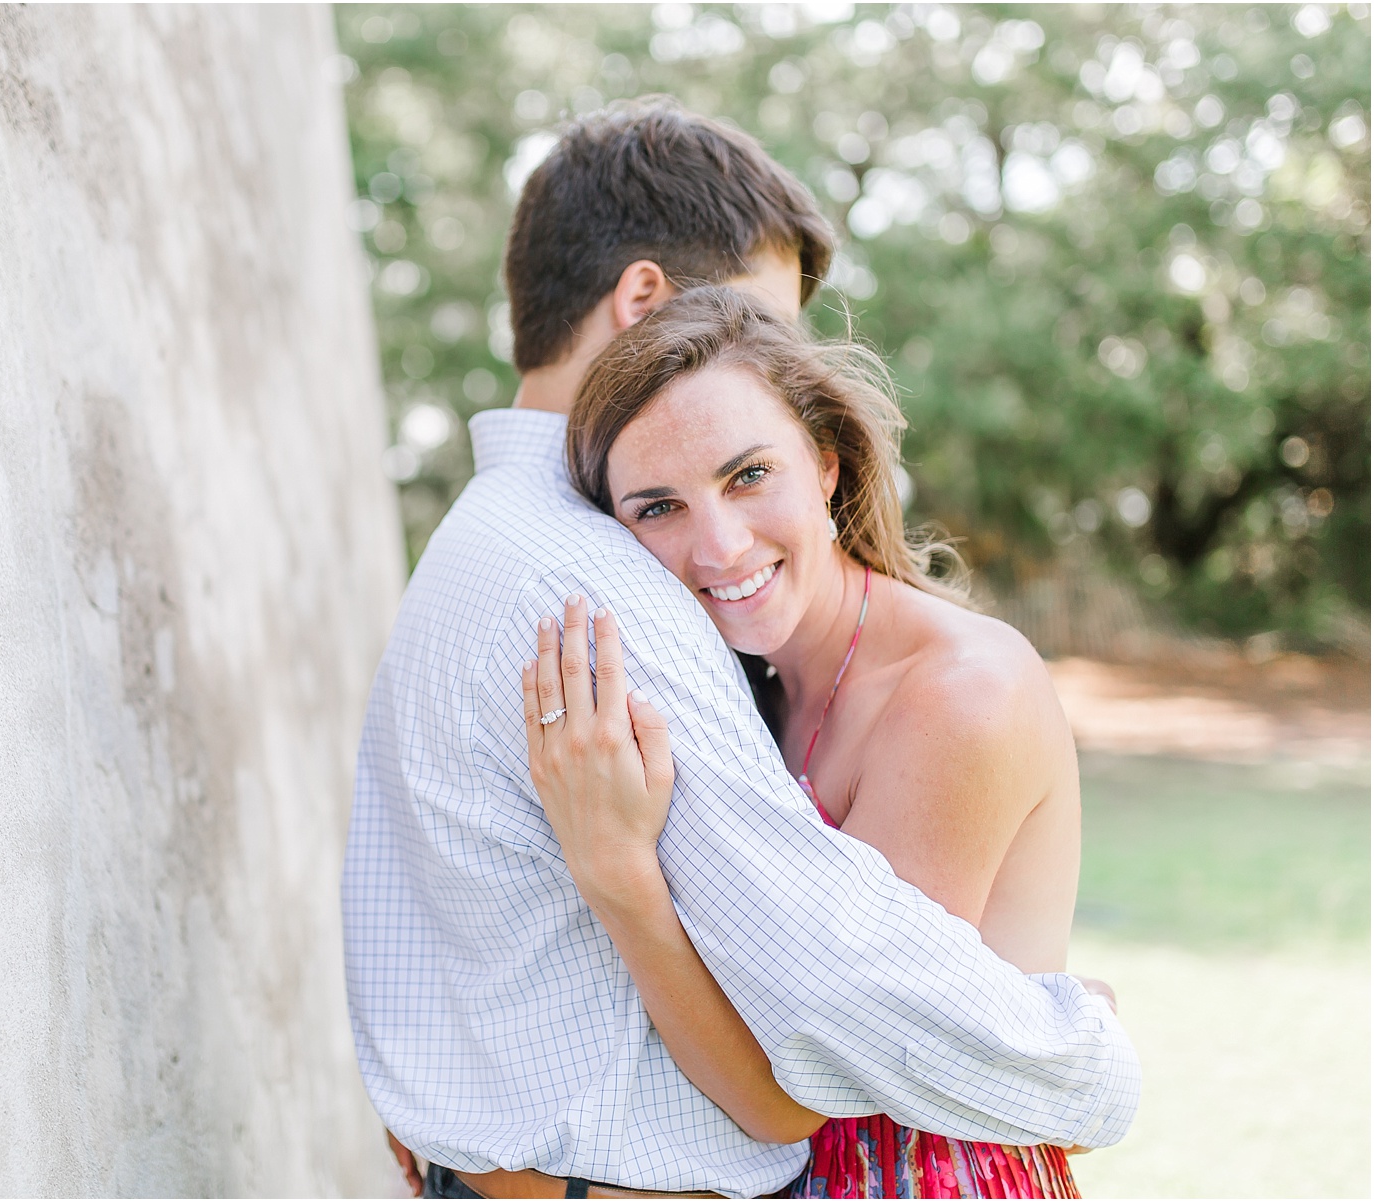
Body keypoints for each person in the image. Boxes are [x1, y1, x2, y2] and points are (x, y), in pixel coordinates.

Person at [343, 98, 1138, 1201]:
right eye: (759, 319)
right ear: (645, 304)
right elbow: (819, 1017)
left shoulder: (496, 538)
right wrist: (1083, 1047)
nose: (772, 358)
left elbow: (834, 1012)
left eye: (752, 468)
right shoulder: (596, 576)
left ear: (821, 459)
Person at [525, 285, 1098, 1197]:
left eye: (748, 476)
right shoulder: (736, 690)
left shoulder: (961, 697)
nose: (718, 547)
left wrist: (617, 874)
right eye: (657, 508)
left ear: (826, 465)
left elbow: (802, 1082)